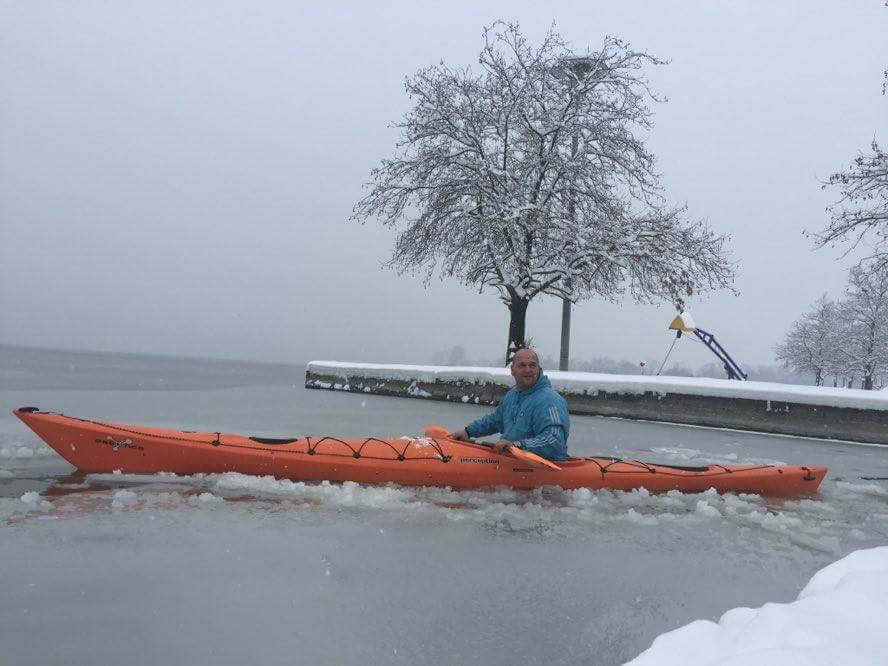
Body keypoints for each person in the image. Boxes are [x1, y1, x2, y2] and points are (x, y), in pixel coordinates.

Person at [449, 347, 570, 461]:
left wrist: (518, 445)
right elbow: (495, 420)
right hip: (511, 461)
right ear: (512, 370)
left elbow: (554, 441)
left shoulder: (550, 399)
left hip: (539, 467)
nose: (528, 369)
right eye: (522, 365)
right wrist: (468, 431)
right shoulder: (512, 395)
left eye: (532, 365)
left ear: (539, 369)